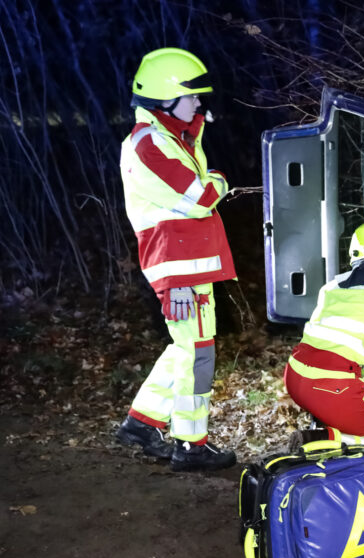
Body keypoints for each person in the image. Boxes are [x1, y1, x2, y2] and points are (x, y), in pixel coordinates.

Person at [114, 48, 236, 471]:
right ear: (166, 98)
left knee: (187, 348)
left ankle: (142, 422)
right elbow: (201, 197)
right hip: (178, 265)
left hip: (185, 262)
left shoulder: (167, 138)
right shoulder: (150, 145)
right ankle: (191, 445)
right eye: (194, 97)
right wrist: (218, 179)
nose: (200, 104)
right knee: (198, 354)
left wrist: (196, 129)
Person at [284, 220, 364, 452]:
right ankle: (316, 441)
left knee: (345, 418)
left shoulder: (332, 286)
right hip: (333, 385)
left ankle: (330, 440)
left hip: (294, 375)